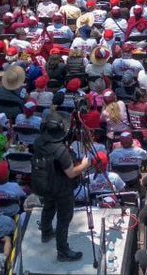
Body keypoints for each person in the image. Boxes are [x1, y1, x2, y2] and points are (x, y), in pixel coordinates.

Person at [32, 111, 92, 262]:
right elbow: (71, 173)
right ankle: (63, 251)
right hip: (61, 188)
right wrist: (84, 165)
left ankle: (46, 232)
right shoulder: (60, 150)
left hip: (44, 182)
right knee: (64, 218)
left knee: (49, 206)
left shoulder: (38, 142)